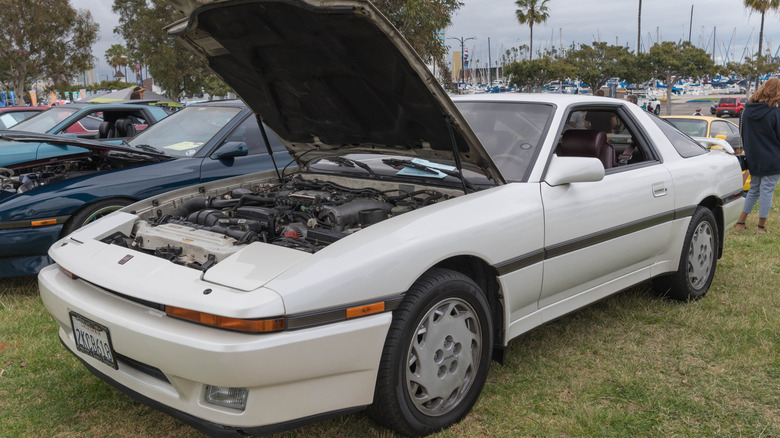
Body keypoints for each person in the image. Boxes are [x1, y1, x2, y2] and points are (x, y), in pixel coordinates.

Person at [734, 77, 780, 233]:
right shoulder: (775, 112)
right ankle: (761, 226)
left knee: (754, 189)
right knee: (767, 191)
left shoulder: (747, 111)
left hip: (754, 157)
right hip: (772, 158)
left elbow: (744, 134)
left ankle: (741, 222)